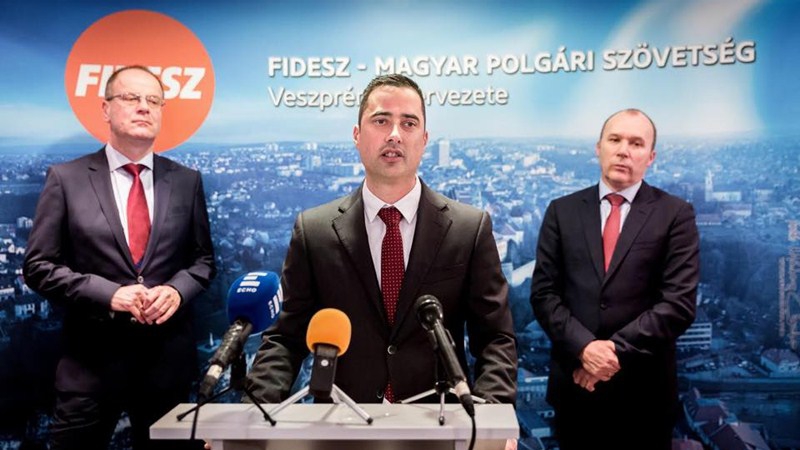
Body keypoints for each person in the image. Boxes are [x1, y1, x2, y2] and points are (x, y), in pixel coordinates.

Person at [246, 74, 517, 408]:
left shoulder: (468, 229)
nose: (394, 135)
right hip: (342, 423)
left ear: (424, 140)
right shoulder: (314, 231)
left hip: (440, 421)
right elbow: (285, 339)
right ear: (357, 136)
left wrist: (492, 419)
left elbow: (495, 339)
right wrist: (252, 415)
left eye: (409, 123)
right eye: (381, 121)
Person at [23, 65, 216, 450]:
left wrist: (176, 291)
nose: (144, 107)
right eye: (131, 98)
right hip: (89, 367)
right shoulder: (66, 178)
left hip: (166, 368)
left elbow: (203, 261)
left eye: (153, 101)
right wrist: (109, 294)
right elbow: (38, 266)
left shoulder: (186, 180)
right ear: (105, 108)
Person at [530, 109, 699, 450]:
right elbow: (544, 294)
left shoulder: (675, 214)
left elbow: (678, 304)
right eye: (615, 139)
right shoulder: (562, 211)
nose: (624, 150)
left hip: (644, 397)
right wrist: (584, 348)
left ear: (651, 157)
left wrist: (609, 355)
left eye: (636, 143)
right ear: (599, 148)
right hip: (576, 391)